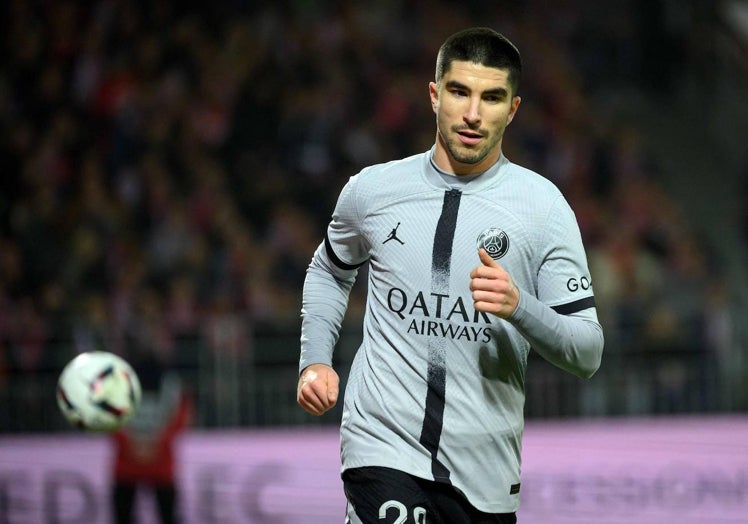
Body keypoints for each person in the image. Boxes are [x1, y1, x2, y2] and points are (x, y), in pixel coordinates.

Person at [297, 27, 604, 523]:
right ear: (435, 96)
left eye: (492, 97)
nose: (473, 114)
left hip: (485, 476)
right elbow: (329, 270)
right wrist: (316, 360)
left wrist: (519, 307)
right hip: (382, 449)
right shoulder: (372, 191)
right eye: (460, 92)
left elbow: (587, 352)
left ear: (514, 109)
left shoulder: (543, 208)